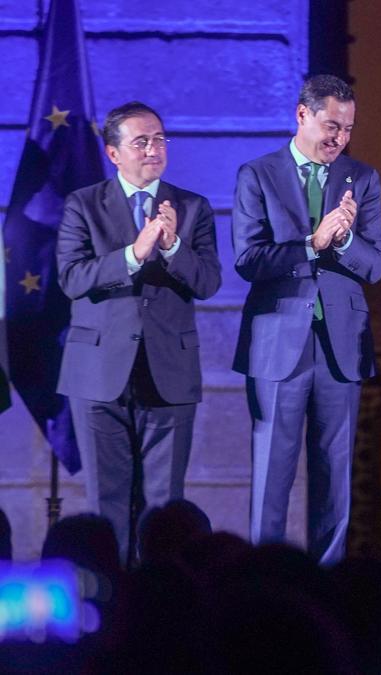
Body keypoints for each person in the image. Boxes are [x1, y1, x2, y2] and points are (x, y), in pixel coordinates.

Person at [56, 102, 222, 565]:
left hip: (167, 372)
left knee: (163, 505)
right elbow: (72, 278)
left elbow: (208, 282)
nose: (154, 149)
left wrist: (171, 247)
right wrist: (133, 253)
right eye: (141, 142)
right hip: (98, 373)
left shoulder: (191, 207)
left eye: (160, 140)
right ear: (114, 153)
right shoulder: (83, 205)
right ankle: (108, 610)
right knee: (106, 501)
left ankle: (157, 609)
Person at [232, 74, 381, 564]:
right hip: (278, 341)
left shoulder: (361, 179)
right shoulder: (257, 174)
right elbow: (248, 259)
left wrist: (343, 240)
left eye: (348, 128)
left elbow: (377, 265)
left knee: (334, 472)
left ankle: (329, 588)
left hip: (340, 345)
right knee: (272, 474)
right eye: (330, 124)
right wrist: (311, 244)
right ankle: (263, 583)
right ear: (302, 115)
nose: (339, 137)